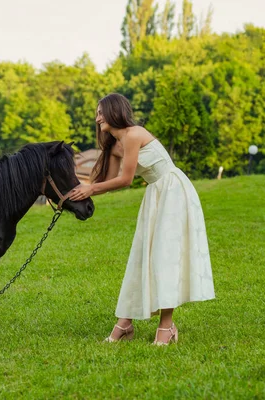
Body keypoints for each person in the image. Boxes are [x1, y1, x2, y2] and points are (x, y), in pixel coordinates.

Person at [68, 93, 215, 345]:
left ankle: (166, 328)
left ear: (114, 111)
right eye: (96, 113)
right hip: (156, 194)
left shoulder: (134, 134)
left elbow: (126, 180)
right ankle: (124, 324)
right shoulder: (114, 146)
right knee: (142, 256)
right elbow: (107, 182)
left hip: (173, 191)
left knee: (165, 256)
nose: (97, 117)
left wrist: (91, 189)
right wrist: (75, 193)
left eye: (101, 112)